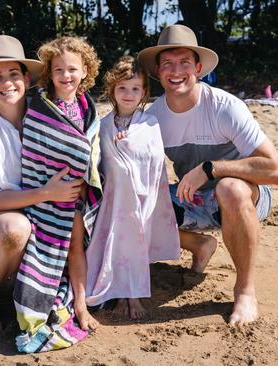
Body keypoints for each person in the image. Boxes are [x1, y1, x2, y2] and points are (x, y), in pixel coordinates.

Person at [138, 24, 278, 325]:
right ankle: (199, 244)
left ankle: (245, 290)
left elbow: (274, 170)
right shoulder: (154, 116)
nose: (175, 71)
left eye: (184, 63)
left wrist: (210, 169)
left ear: (199, 68)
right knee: (130, 201)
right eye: (168, 63)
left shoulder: (224, 107)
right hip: (193, 199)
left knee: (230, 188)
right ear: (158, 70)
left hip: (245, 198)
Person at [0, 35, 81, 335]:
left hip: (39, 209)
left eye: (13, 74)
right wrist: (47, 193)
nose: (7, 83)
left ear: (27, 78)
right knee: (15, 229)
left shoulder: (46, 114)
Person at [14, 36, 102, 353]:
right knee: (43, 250)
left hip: (76, 196)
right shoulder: (37, 105)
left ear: (86, 71)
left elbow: (91, 150)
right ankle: (37, 303)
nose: (66, 76)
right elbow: (36, 148)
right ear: (49, 74)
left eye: (73, 69)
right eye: (59, 70)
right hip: (43, 196)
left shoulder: (88, 107)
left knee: (76, 247)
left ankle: (80, 304)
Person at [85, 56, 180, 320]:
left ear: (144, 92)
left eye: (135, 89)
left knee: (136, 244)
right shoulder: (103, 125)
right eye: (122, 88)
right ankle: (115, 289)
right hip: (114, 199)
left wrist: (129, 145)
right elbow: (99, 162)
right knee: (112, 244)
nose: (129, 94)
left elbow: (154, 159)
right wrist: (116, 147)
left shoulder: (149, 124)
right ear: (112, 90)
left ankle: (134, 294)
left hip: (141, 197)